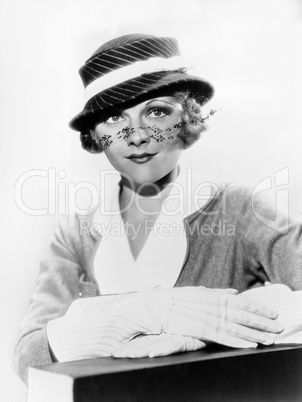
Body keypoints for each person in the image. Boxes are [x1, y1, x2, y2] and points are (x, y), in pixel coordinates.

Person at [14, 33, 302, 384]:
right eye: (115, 118)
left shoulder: (238, 209)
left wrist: (200, 334)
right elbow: (28, 357)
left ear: (187, 118)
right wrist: (150, 312)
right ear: (94, 133)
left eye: (156, 111)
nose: (135, 136)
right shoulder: (75, 233)